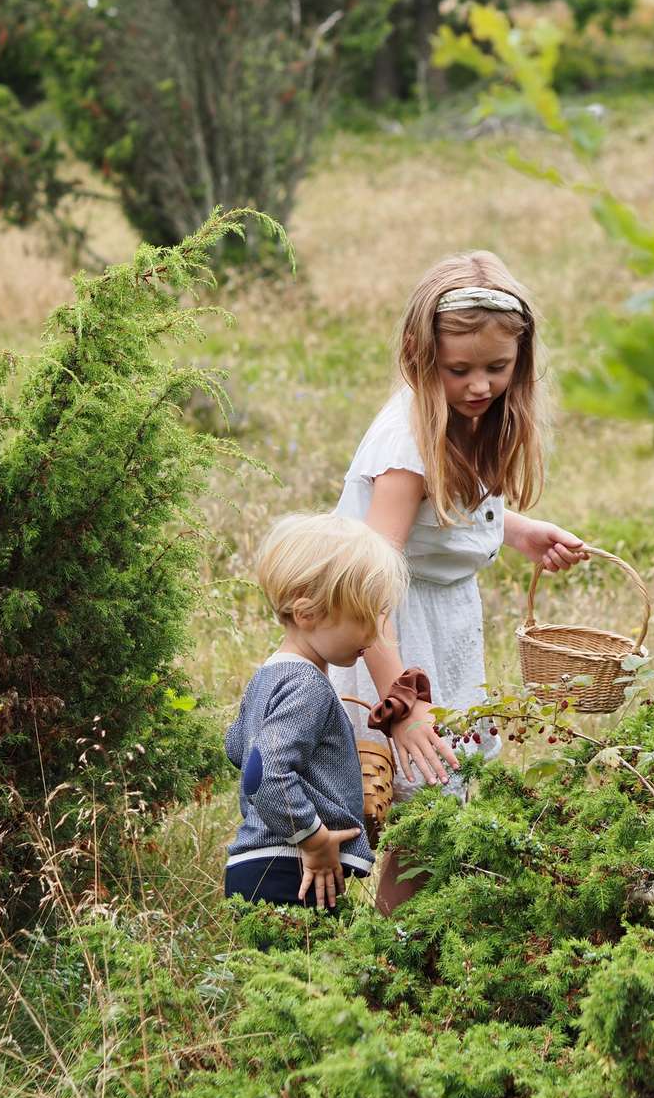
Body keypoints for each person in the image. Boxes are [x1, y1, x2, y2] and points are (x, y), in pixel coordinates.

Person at [329, 250, 590, 913]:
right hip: (391, 641)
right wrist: (403, 706)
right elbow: (368, 585)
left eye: (497, 369)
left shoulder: (462, 416)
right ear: (420, 356)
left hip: (438, 631)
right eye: (460, 370)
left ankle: (409, 944)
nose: (479, 385)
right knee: (420, 820)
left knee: (435, 817)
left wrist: (518, 530)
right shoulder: (406, 446)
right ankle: (394, 953)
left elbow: (447, 511)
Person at [223, 512, 409, 909]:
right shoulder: (306, 684)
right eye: (363, 618)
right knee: (307, 953)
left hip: (256, 865)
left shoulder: (268, 676)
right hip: (290, 866)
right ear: (307, 614)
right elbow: (263, 774)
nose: (375, 634)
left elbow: (237, 747)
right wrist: (313, 838)